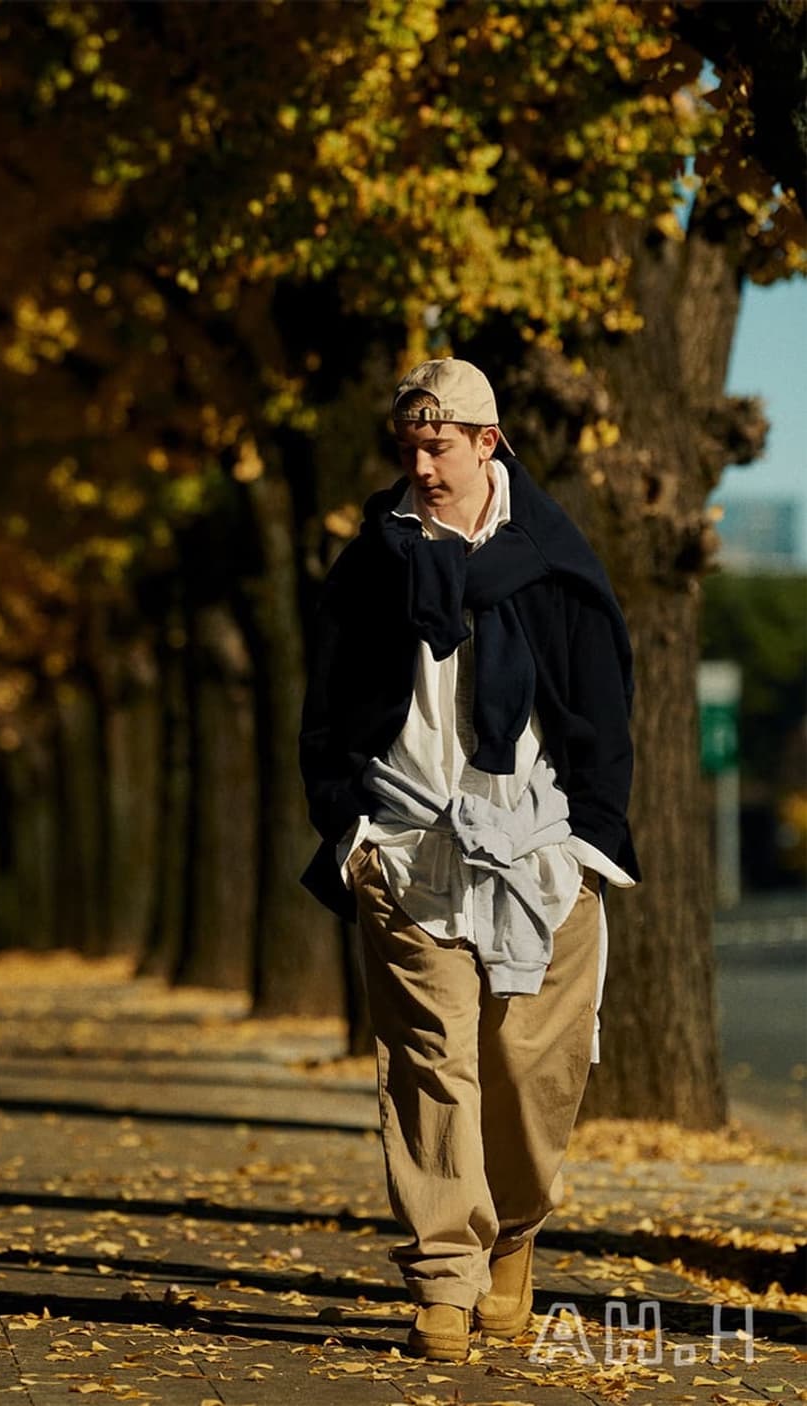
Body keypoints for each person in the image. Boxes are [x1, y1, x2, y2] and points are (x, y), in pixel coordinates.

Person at [298, 359, 639, 1364]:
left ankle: (516, 1231)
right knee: (429, 1067)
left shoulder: (552, 560)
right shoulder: (373, 563)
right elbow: (325, 708)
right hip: (407, 850)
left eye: (438, 444)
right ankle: (445, 1271)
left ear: (489, 443)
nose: (421, 462)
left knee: (533, 1070)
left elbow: (606, 706)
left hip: (536, 852)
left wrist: (588, 840)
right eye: (407, 445)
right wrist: (348, 826)